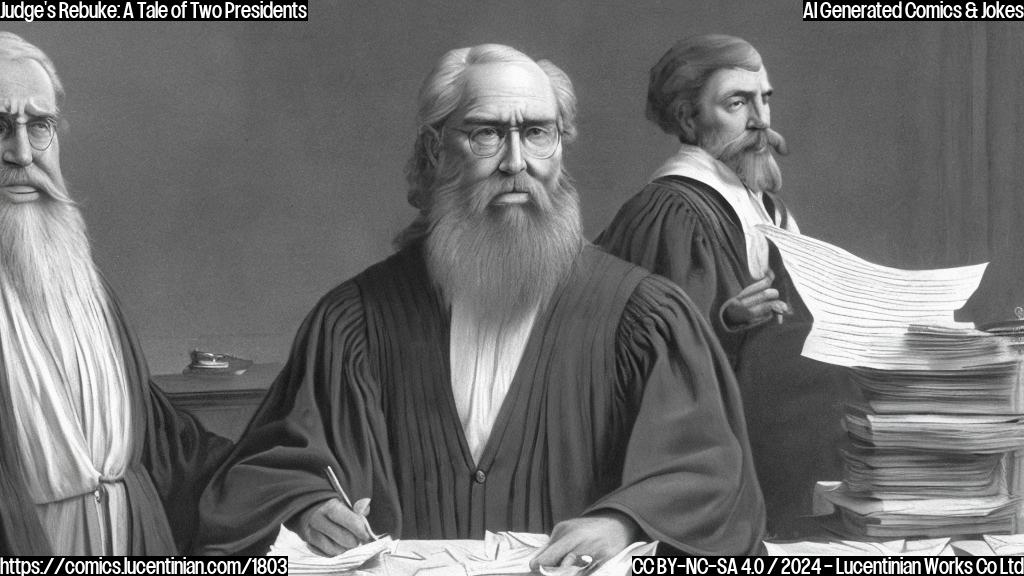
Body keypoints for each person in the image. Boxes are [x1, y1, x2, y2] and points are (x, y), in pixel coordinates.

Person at [196, 44, 766, 562]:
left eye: (538, 133)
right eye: (487, 134)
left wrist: (622, 523)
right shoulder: (356, 322)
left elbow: (711, 477)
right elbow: (265, 474)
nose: (516, 162)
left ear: (561, 147)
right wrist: (309, 506)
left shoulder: (645, 318)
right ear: (434, 149)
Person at [596, 34, 859, 538]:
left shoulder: (765, 207)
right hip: (702, 475)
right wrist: (726, 321)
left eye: (765, 100)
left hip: (774, 453)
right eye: (737, 103)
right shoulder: (671, 212)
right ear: (690, 120)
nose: (761, 119)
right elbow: (643, 356)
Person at [0, 32, 232, 555]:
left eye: (39, 126)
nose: (20, 153)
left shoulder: (84, 284)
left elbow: (166, 446)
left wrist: (289, 492)